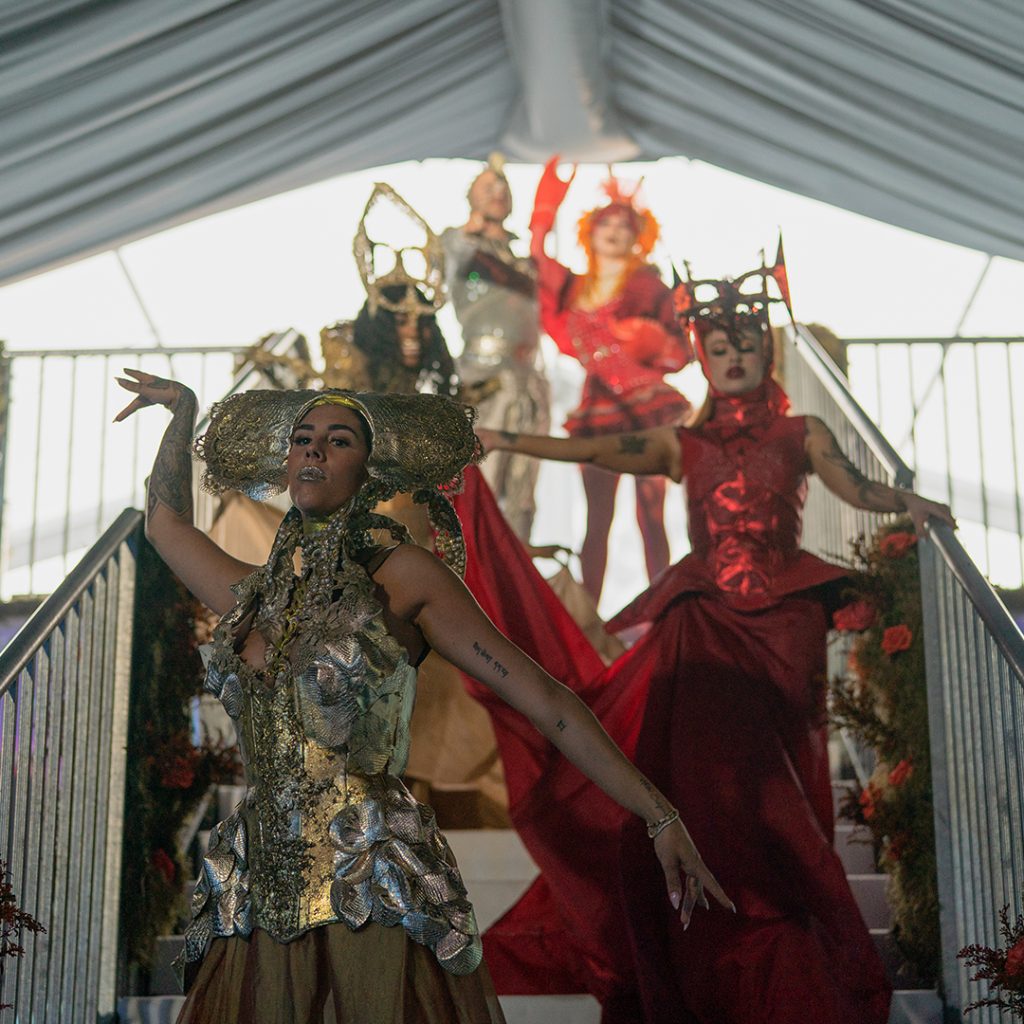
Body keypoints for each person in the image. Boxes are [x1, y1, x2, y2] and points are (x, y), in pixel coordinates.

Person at [113, 371, 731, 1024]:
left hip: (369, 873)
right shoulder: (254, 593)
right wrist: (181, 415)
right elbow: (165, 526)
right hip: (260, 873)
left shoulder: (405, 576)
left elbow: (545, 698)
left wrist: (659, 814)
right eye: (303, 438)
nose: (315, 450)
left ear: (368, 470)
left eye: (338, 439)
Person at [476, 261, 955, 1024]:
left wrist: (909, 503)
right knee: (711, 782)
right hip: (701, 623)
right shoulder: (680, 442)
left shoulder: (805, 431)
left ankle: (787, 934)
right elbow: (596, 451)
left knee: (779, 783)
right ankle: (722, 944)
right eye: (719, 348)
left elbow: (855, 493)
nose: (733, 359)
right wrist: (500, 437)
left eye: (746, 346)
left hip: (786, 624)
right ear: (702, 358)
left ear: (766, 352)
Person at [529, 157, 691, 601]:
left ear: (639, 236)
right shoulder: (574, 287)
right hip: (597, 411)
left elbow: (684, 348)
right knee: (596, 519)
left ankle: (663, 612)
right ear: (591, 230)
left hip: (649, 408)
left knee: (651, 514)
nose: (616, 230)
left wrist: (654, 342)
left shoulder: (650, 286)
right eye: (607, 222)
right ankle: (588, 621)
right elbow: (538, 261)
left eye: (626, 224)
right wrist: (544, 211)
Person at [441, 155, 551, 541]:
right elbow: (450, 257)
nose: (498, 192)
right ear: (470, 197)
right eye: (487, 187)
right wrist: (469, 233)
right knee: (483, 474)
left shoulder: (522, 257)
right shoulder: (460, 243)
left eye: (503, 187)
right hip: (483, 372)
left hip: (528, 377)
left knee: (524, 485)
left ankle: (517, 567)